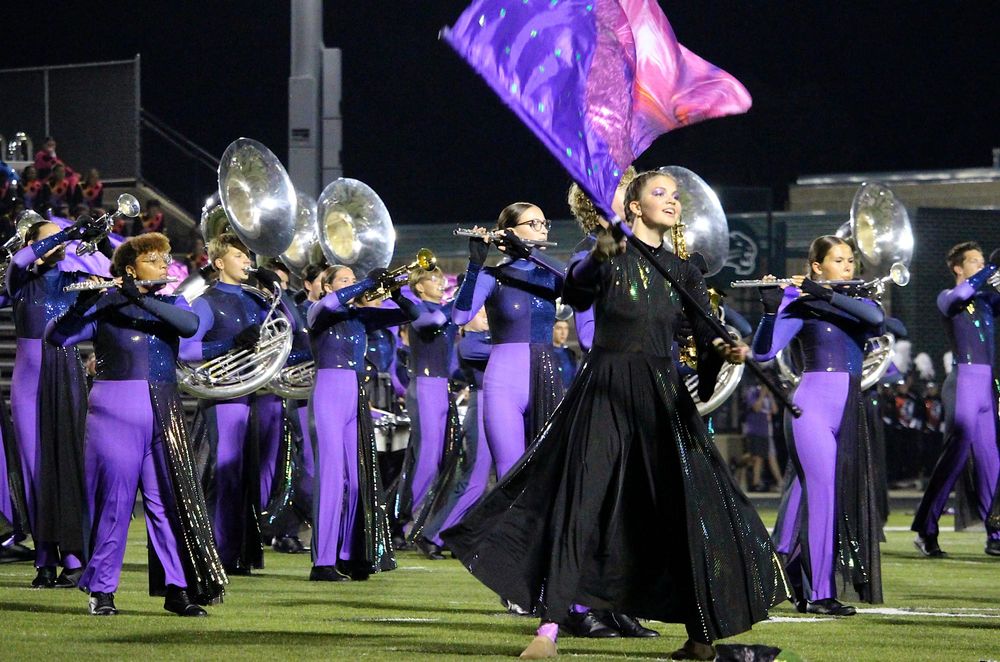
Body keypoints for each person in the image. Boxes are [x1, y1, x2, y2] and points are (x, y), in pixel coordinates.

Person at [444, 171, 786, 660]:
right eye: (659, 193)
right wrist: (600, 254)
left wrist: (723, 348)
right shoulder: (604, 255)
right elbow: (577, 293)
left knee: (687, 508)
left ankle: (700, 640)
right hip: (604, 390)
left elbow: (704, 331)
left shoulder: (682, 270)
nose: (672, 200)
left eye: (675, 195)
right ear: (635, 207)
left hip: (661, 396)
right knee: (579, 504)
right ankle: (548, 631)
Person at [45, 233, 226, 615]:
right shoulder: (104, 306)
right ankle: (102, 590)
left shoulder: (171, 303)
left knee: (167, 504)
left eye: (165, 259)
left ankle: (177, 589)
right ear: (129, 268)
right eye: (153, 260)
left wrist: (138, 297)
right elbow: (55, 337)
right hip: (115, 409)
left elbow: (189, 325)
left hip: (164, 407)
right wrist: (82, 306)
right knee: (115, 502)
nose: (164, 265)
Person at [753, 235, 886, 616]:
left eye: (850, 261)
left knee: (816, 497)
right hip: (810, 408)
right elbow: (764, 352)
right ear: (817, 266)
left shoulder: (858, 301)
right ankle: (819, 593)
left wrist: (823, 294)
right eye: (838, 260)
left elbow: (877, 321)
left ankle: (784, 577)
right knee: (823, 497)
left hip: (849, 409)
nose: (847, 267)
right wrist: (769, 311)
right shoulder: (800, 303)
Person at [306, 265, 417, 580]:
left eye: (354, 280)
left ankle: (348, 555)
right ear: (328, 286)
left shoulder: (360, 317)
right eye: (345, 280)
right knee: (330, 478)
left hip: (355, 395)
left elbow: (413, 314)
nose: (352, 284)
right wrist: (367, 282)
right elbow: (330, 304)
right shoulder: (319, 311)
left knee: (357, 482)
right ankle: (322, 562)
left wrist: (396, 292)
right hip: (328, 393)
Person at [6, 218, 97, 587]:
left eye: (61, 239)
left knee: (68, 463)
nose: (59, 244)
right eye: (50, 239)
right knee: (35, 470)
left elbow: (109, 287)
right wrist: (67, 233)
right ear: (33, 243)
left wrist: (91, 243)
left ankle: (74, 557)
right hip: (28, 383)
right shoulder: (20, 281)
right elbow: (19, 260)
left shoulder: (75, 280)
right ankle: (44, 557)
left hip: (68, 373)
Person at [451, 203, 566, 480]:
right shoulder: (492, 277)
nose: (543, 229)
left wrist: (530, 253)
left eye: (544, 223)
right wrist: (475, 265)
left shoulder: (550, 276)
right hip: (503, 384)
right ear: (509, 232)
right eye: (533, 224)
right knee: (509, 474)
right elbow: (460, 316)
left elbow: (577, 281)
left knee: (550, 473)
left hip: (546, 376)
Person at [179, 232, 271, 574]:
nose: (247, 261)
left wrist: (275, 289)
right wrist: (230, 344)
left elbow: (291, 327)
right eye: (239, 256)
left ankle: (238, 553)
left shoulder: (255, 299)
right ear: (219, 263)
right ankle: (218, 553)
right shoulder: (207, 301)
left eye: (248, 256)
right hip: (224, 396)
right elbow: (186, 349)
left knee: (246, 477)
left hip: (251, 394)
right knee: (226, 477)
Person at [911, 242, 1000, 557]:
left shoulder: (987, 301)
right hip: (963, 383)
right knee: (954, 458)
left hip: (987, 387)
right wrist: (992, 267)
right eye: (974, 261)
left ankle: (996, 534)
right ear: (958, 268)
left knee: (991, 463)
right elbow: (960, 296)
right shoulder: (948, 296)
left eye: (982, 260)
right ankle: (926, 529)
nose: (980, 265)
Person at [396, 263, 460, 544]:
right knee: (427, 457)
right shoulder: (417, 309)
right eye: (433, 279)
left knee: (439, 459)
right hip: (424, 386)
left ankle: (420, 519)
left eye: (440, 278)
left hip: (442, 387)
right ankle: (409, 520)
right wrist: (457, 301)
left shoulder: (442, 310)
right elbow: (432, 323)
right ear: (419, 287)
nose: (440, 282)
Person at [743, 381, 781, 492]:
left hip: (766, 431)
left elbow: (775, 410)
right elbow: (756, 408)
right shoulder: (753, 392)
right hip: (756, 430)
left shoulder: (768, 396)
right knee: (757, 457)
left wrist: (771, 396)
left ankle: (776, 482)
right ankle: (755, 483)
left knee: (766, 456)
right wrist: (762, 394)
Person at [551, 319, 578, 388]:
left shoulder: (570, 353)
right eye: (559, 328)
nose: (563, 333)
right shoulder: (545, 353)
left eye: (566, 328)